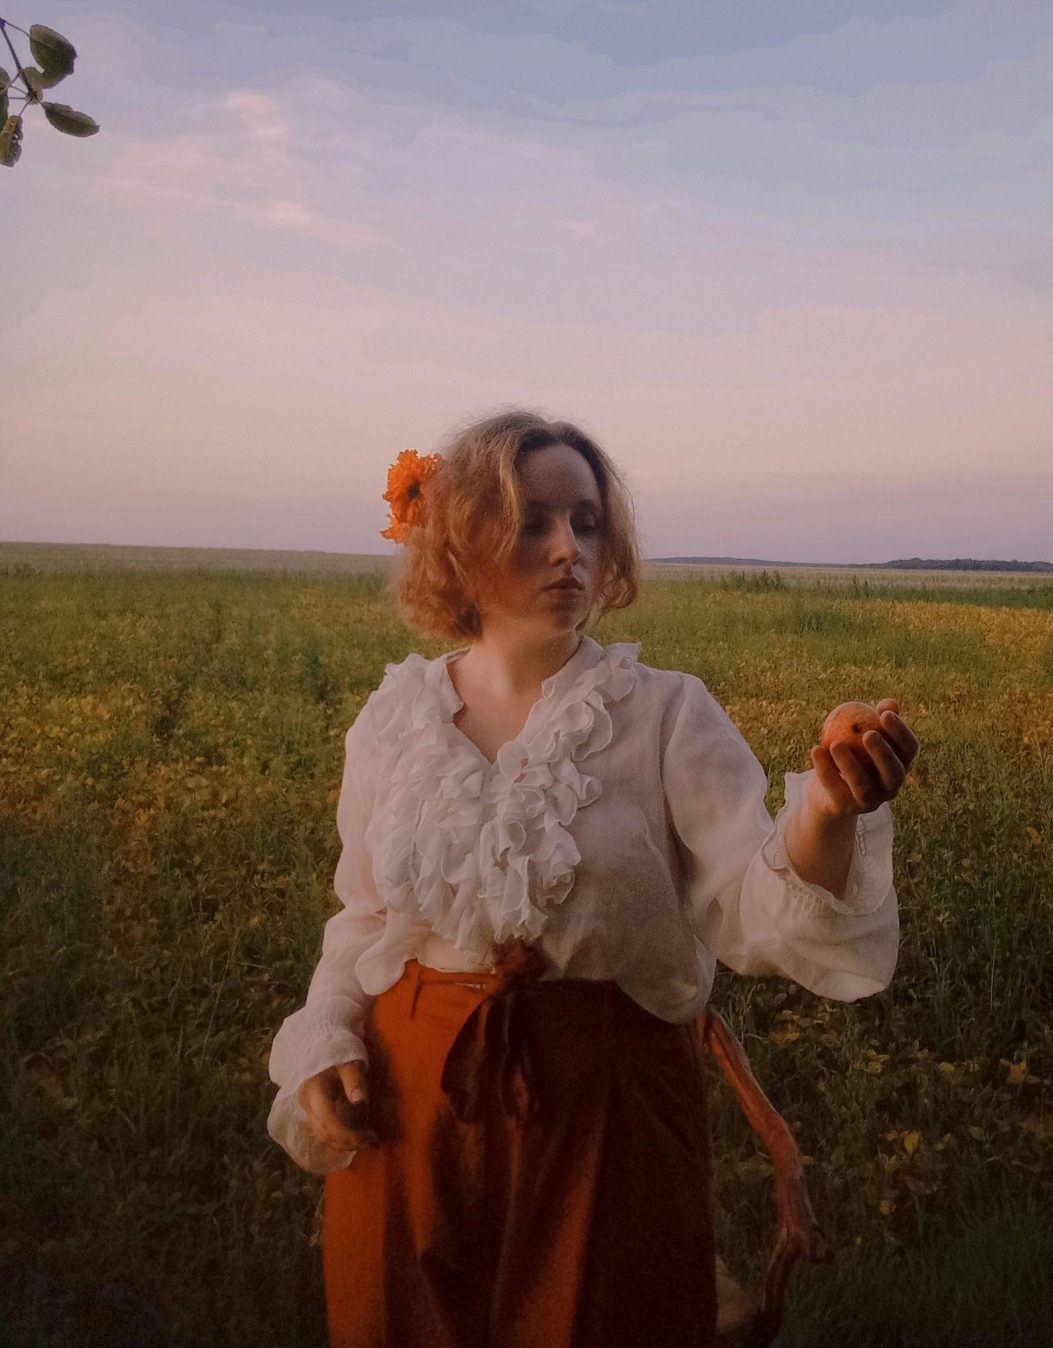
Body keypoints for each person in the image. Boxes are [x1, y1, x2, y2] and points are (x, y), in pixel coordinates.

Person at [266, 407, 918, 1348]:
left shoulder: (664, 714)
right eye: (531, 521)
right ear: (459, 541)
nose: (568, 548)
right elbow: (363, 916)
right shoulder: (393, 720)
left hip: (608, 1113)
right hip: (408, 1109)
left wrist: (827, 805)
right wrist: (327, 1038)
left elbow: (752, 904)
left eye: (586, 521)